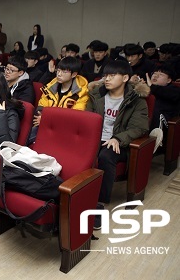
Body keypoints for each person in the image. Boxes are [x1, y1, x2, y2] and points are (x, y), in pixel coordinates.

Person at [85, 60, 149, 229]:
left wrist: (118, 139)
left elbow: (139, 127)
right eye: (106, 75)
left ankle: (99, 204)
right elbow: (87, 120)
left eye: (112, 76)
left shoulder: (136, 101)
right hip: (95, 138)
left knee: (105, 156)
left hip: (120, 142)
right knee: (81, 154)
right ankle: (76, 197)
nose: (107, 79)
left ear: (125, 77)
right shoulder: (96, 96)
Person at [29, 56, 89, 144]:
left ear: (74, 74)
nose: (59, 74)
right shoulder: (50, 87)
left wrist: (46, 120)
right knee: (26, 136)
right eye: (58, 70)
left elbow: (74, 118)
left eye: (64, 72)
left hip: (66, 131)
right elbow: (41, 108)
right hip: (44, 126)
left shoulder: (81, 93)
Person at [146, 65, 180, 150]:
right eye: (154, 73)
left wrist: (151, 87)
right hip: (146, 122)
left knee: (155, 112)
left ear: (169, 80)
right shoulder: (145, 88)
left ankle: (155, 142)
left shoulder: (174, 90)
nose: (156, 76)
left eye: (161, 75)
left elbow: (163, 92)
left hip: (164, 125)